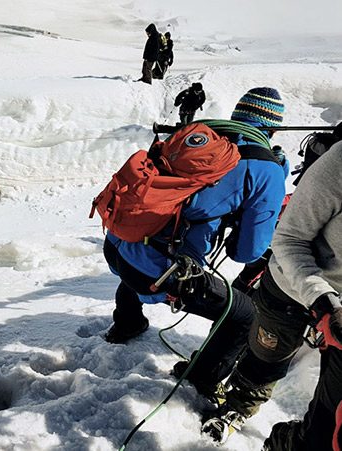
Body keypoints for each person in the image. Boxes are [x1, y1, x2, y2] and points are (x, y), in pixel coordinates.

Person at [103, 87, 288, 404]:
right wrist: (274, 174)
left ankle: (127, 323)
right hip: (160, 271)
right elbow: (247, 252)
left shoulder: (195, 136)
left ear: (237, 117)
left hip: (118, 241)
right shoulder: (266, 170)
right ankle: (202, 377)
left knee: (139, 261)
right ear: (271, 128)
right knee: (244, 316)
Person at [202, 139, 342, 449]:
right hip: (291, 289)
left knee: (328, 425)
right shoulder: (340, 162)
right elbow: (289, 238)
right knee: (268, 357)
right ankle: (240, 405)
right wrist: (322, 299)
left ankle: (298, 441)